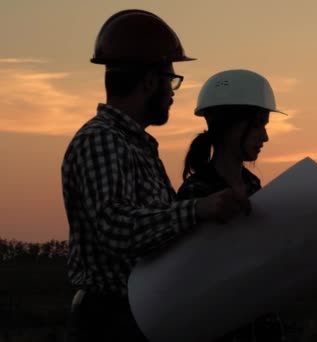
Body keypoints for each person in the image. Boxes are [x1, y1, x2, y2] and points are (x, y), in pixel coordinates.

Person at [61, 10, 250, 342]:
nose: (174, 92)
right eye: (171, 80)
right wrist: (198, 209)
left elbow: (157, 233)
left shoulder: (137, 146)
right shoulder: (102, 140)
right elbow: (117, 228)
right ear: (149, 81)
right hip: (110, 323)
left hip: (141, 317)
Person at [177, 69, 286, 341]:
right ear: (232, 126)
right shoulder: (195, 194)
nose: (265, 137)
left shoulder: (253, 185)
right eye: (259, 124)